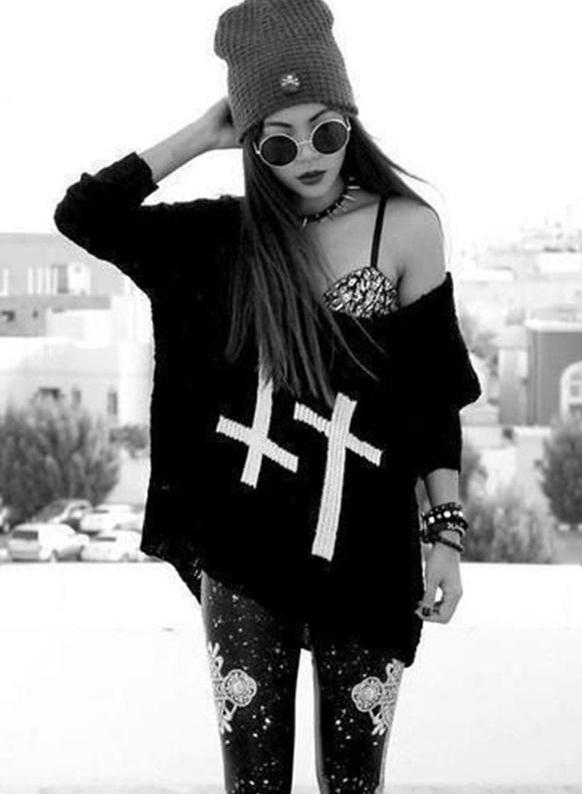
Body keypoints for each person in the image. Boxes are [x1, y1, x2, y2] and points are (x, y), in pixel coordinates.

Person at [53, 0, 482, 790]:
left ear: (351, 120)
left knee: (355, 782)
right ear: (251, 145)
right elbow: (84, 216)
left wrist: (446, 536)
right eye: (278, 140)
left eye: (326, 130)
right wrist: (201, 133)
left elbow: (430, 394)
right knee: (252, 782)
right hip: (245, 552)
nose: (307, 155)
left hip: (366, 553)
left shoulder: (407, 228)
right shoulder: (222, 239)